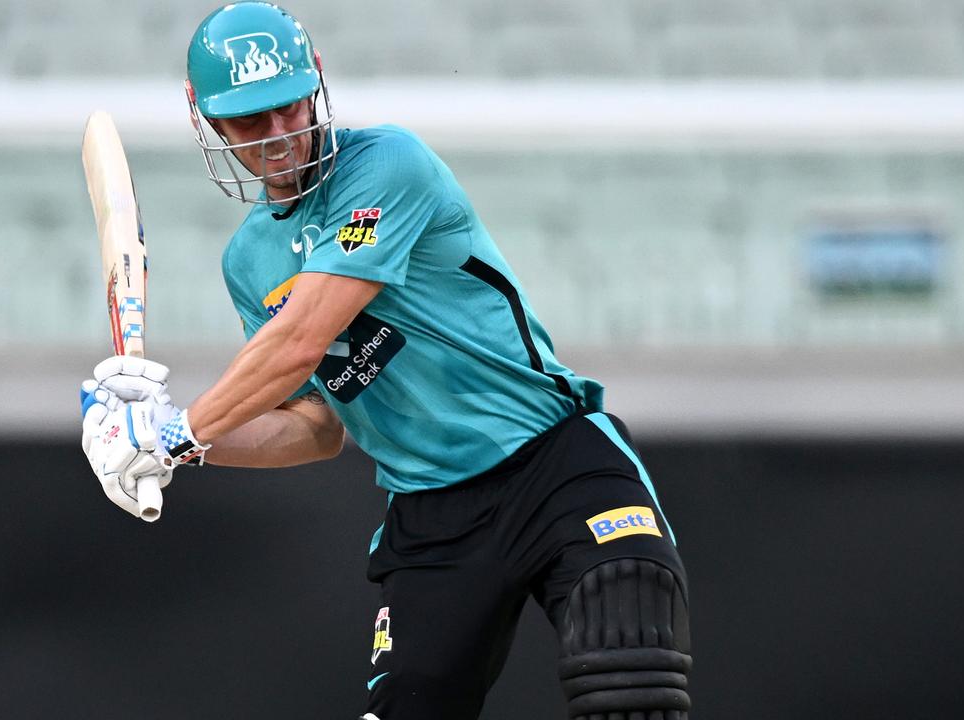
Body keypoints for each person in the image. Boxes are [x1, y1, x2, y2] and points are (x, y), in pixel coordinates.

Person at [79, 3, 692, 718]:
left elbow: (302, 338)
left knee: (630, 668)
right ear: (207, 120)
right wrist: (169, 449)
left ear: (316, 86)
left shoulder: (386, 164)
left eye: (288, 106)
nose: (280, 134)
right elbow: (316, 424)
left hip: (555, 462)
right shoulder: (249, 261)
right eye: (250, 120)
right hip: (432, 513)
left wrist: (177, 429)